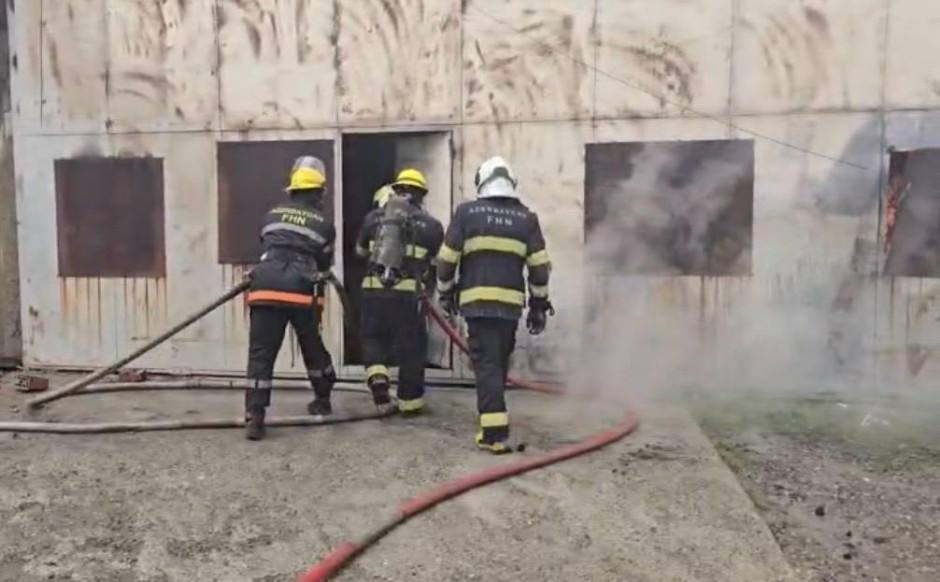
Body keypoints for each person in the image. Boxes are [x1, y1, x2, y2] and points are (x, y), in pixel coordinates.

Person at [436, 156, 554, 454]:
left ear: (482, 182)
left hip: (476, 304)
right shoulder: (527, 219)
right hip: (510, 307)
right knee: (498, 361)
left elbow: (447, 260)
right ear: (510, 183)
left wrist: (445, 293)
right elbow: (539, 267)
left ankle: (494, 433)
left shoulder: (467, 213)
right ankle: (494, 422)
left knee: (487, 364)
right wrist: (539, 304)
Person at [243, 156, 337, 441]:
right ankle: (322, 398)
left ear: (293, 191)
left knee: (261, 355)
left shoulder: (271, 215)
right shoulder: (324, 224)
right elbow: (323, 263)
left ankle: (255, 418)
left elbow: (267, 245)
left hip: (265, 287)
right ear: (318, 193)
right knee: (311, 345)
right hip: (301, 290)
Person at [355, 169, 444, 415]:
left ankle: (378, 377)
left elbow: (360, 254)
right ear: (421, 195)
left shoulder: (372, 218)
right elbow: (439, 264)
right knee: (412, 347)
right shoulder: (432, 225)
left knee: (373, 337)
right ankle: (410, 402)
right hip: (407, 296)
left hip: (373, 291)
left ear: (397, 189)